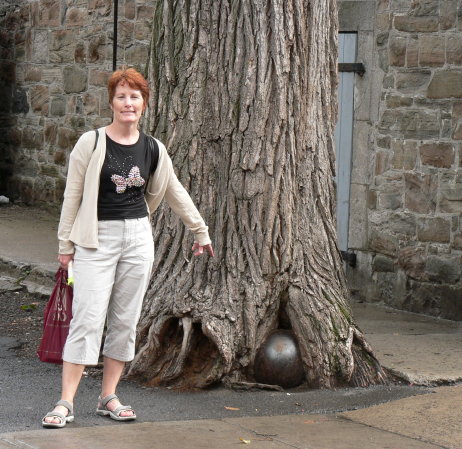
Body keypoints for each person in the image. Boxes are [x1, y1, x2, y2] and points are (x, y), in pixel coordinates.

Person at [42, 67, 214, 428]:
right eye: (121, 96)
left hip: (138, 238)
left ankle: (109, 396)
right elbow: (72, 196)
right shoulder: (90, 143)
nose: (128, 102)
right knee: (87, 318)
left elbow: (173, 190)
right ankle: (65, 402)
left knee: (125, 321)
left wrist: (200, 230)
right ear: (111, 102)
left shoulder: (153, 148)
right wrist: (65, 245)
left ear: (144, 104)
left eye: (134, 96)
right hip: (95, 238)